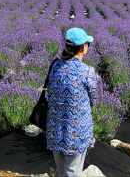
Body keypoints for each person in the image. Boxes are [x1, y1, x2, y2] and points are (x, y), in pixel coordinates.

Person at [46, 28, 98, 177]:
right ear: (83, 48)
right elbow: (93, 99)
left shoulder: (55, 66)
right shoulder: (87, 71)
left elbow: (50, 92)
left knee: (62, 170)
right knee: (72, 172)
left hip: (55, 129)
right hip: (76, 133)